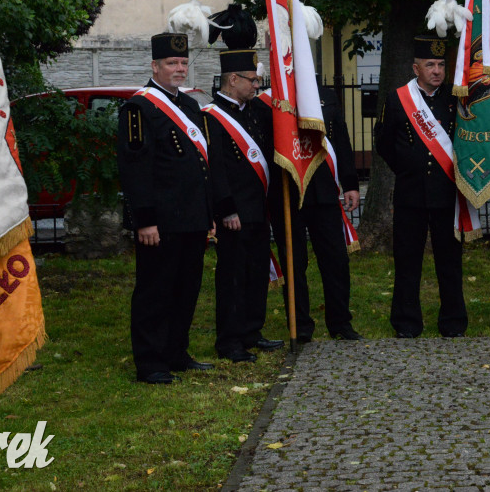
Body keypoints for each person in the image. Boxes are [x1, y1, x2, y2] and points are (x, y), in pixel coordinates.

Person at [117, 32, 213, 384]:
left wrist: (208, 215)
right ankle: (150, 361)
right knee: (155, 290)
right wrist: (144, 221)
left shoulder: (190, 106)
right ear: (154, 66)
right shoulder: (138, 108)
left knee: (186, 288)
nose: (179, 69)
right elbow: (134, 168)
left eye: (184, 63)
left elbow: (202, 166)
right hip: (159, 221)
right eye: (172, 63)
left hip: (191, 218)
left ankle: (176, 351)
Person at [375, 35, 468, 338]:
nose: (437, 71)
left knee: (449, 262)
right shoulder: (397, 99)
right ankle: (406, 323)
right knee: (407, 261)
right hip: (411, 194)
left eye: (441, 64)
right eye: (430, 65)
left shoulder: (455, 99)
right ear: (416, 68)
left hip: (446, 194)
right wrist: (407, 169)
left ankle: (453, 323)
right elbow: (384, 144)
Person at [271, 83, 363, 342]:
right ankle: (300, 325)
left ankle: (340, 323)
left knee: (336, 261)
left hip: (324, 191)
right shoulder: (271, 99)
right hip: (288, 194)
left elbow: (340, 141)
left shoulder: (325, 96)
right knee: (294, 262)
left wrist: (351, 183)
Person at [203, 49, 278, 362]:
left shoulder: (254, 112)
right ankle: (230, 341)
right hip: (234, 212)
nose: (256, 85)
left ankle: (252, 330)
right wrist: (226, 209)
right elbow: (215, 168)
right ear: (232, 79)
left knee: (257, 272)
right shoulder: (212, 116)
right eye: (252, 79)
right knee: (233, 276)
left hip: (258, 207)